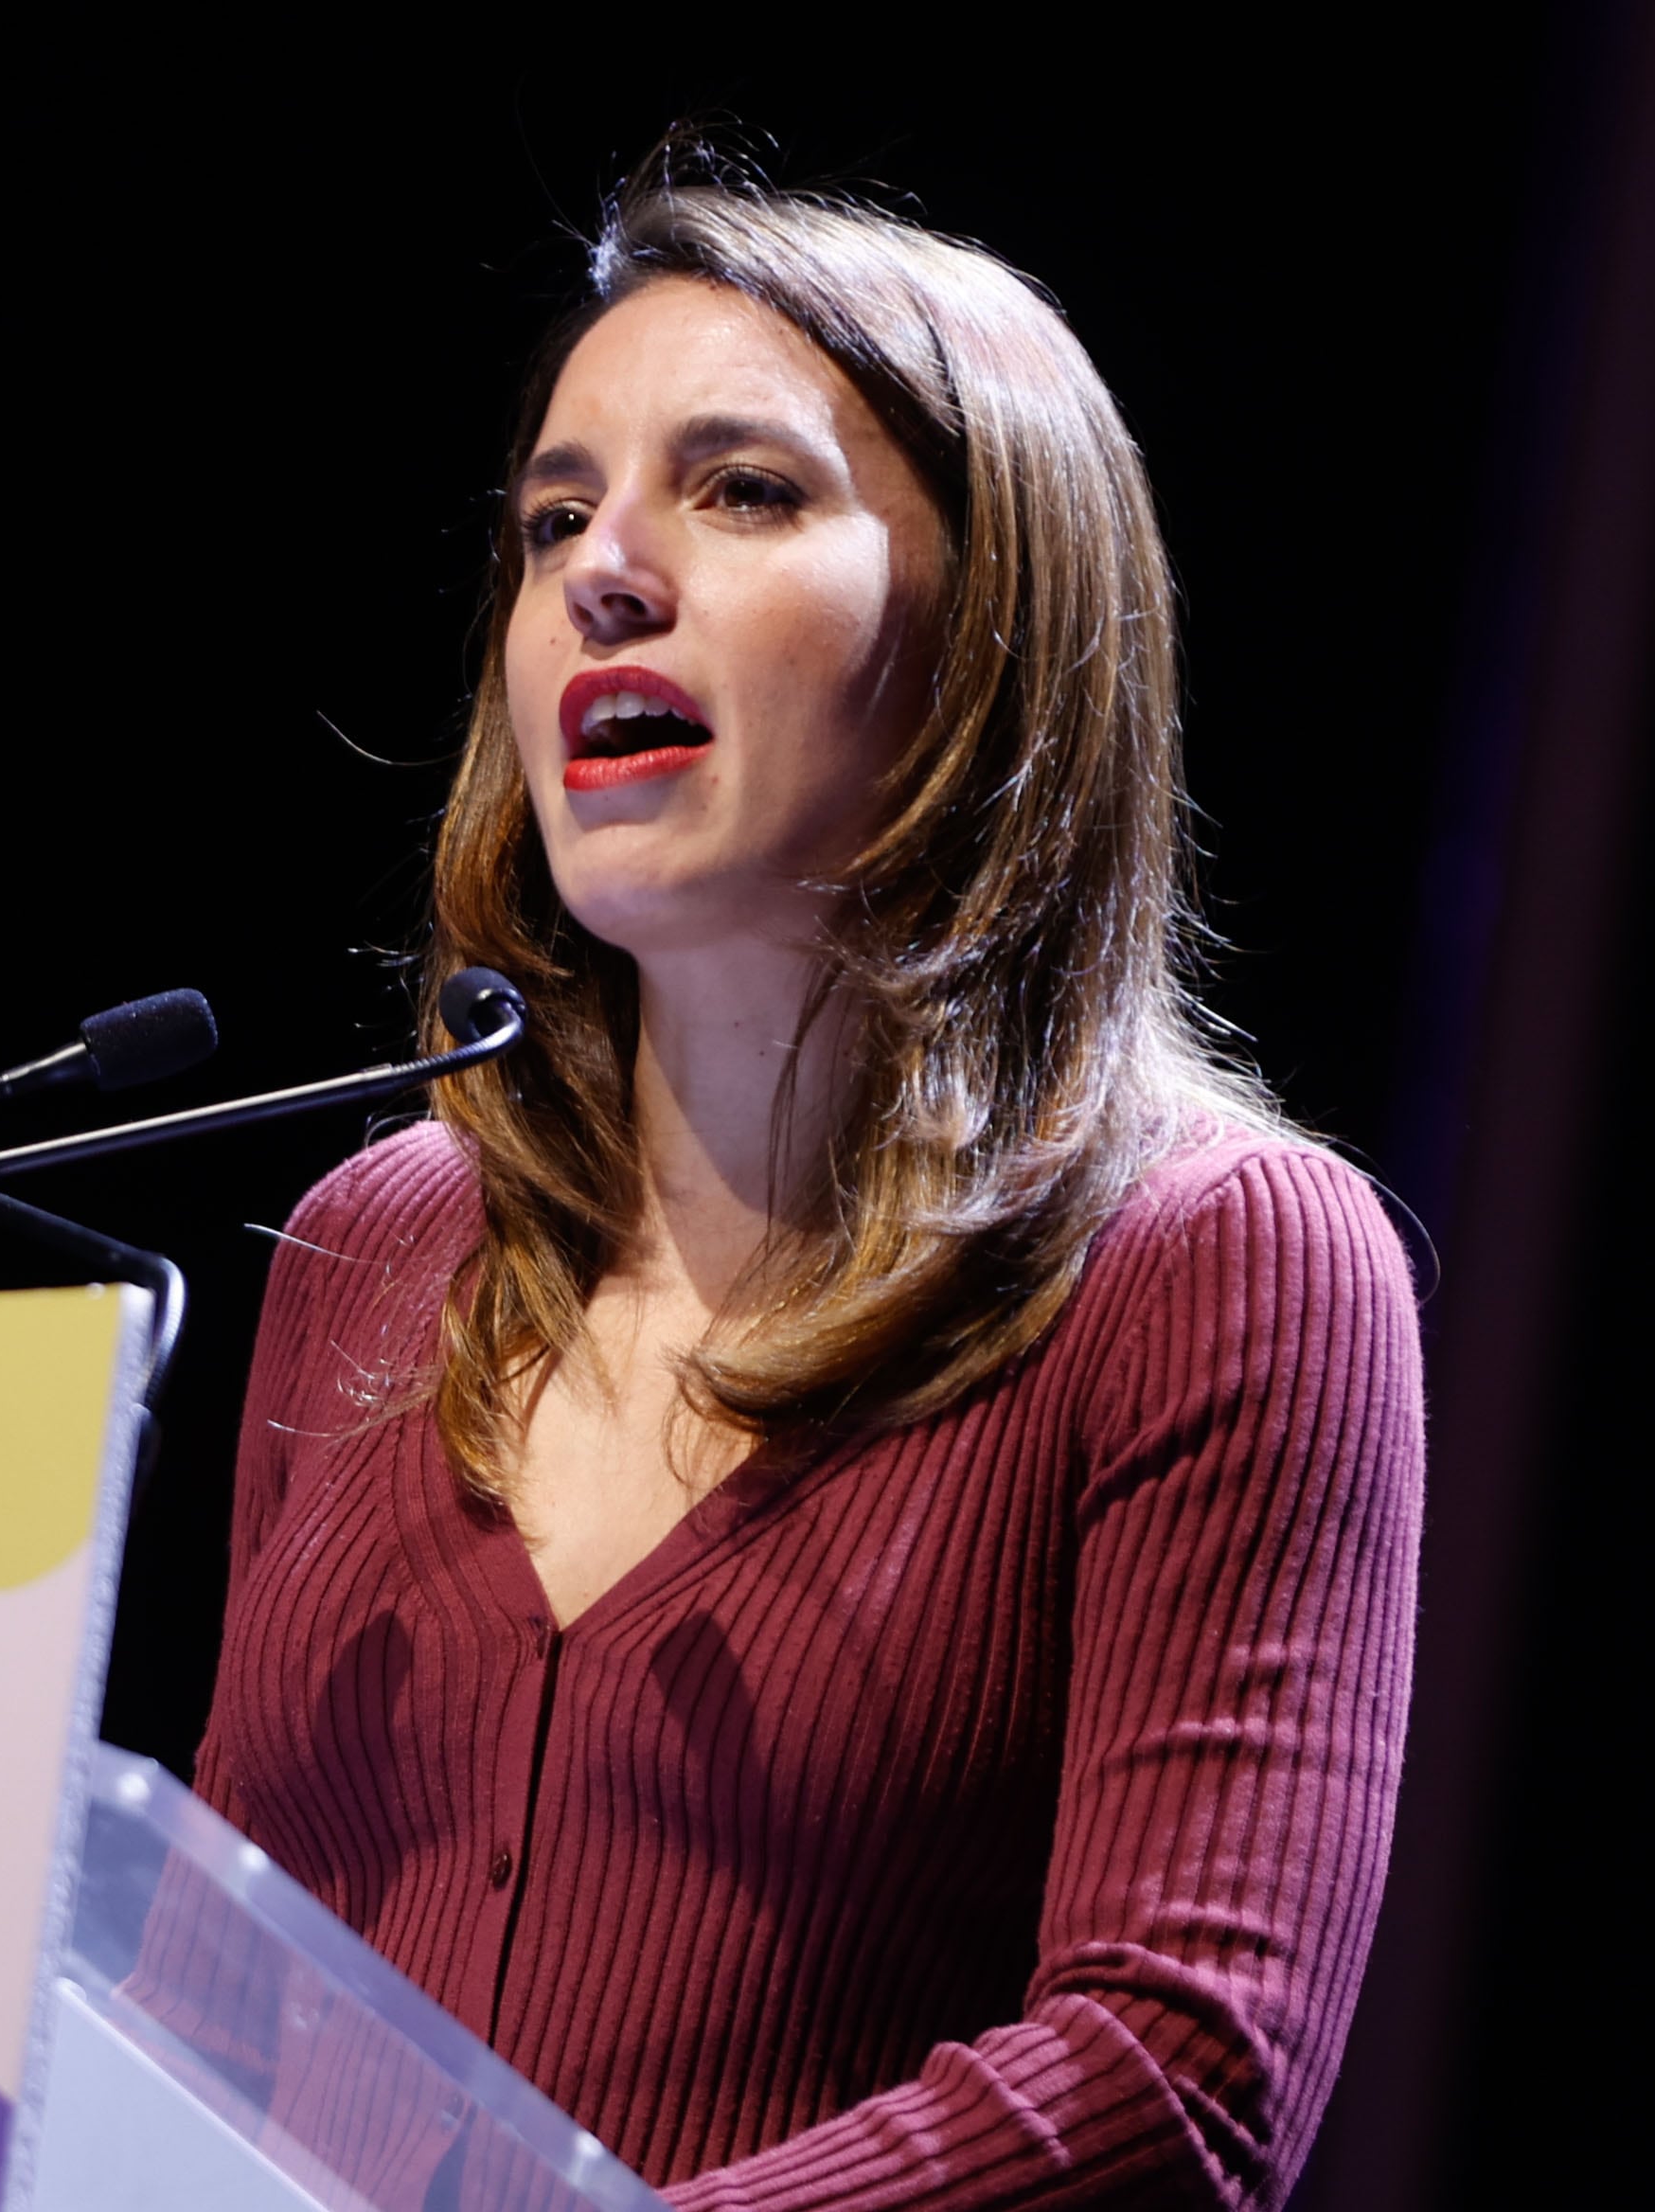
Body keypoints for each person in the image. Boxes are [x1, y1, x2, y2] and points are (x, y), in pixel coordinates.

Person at [186, 147, 1424, 2210]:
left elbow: (1175, 2070)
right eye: (554, 516)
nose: (603, 571)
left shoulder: (1218, 1263)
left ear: (999, 626)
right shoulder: (377, 1241)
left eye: (743, 490)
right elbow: (208, 1995)